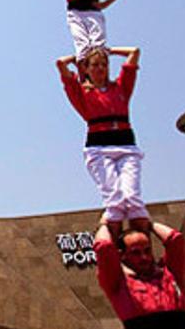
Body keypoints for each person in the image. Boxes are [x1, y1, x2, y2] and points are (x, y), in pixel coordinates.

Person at [57, 46, 147, 238]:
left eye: (103, 65)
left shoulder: (121, 87)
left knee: (133, 199)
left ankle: (143, 247)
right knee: (114, 201)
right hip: (99, 148)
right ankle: (110, 248)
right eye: (95, 65)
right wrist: (77, 59)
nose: (100, 68)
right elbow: (60, 64)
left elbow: (134, 52)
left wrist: (109, 50)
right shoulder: (81, 93)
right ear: (86, 69)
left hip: (126, 146)